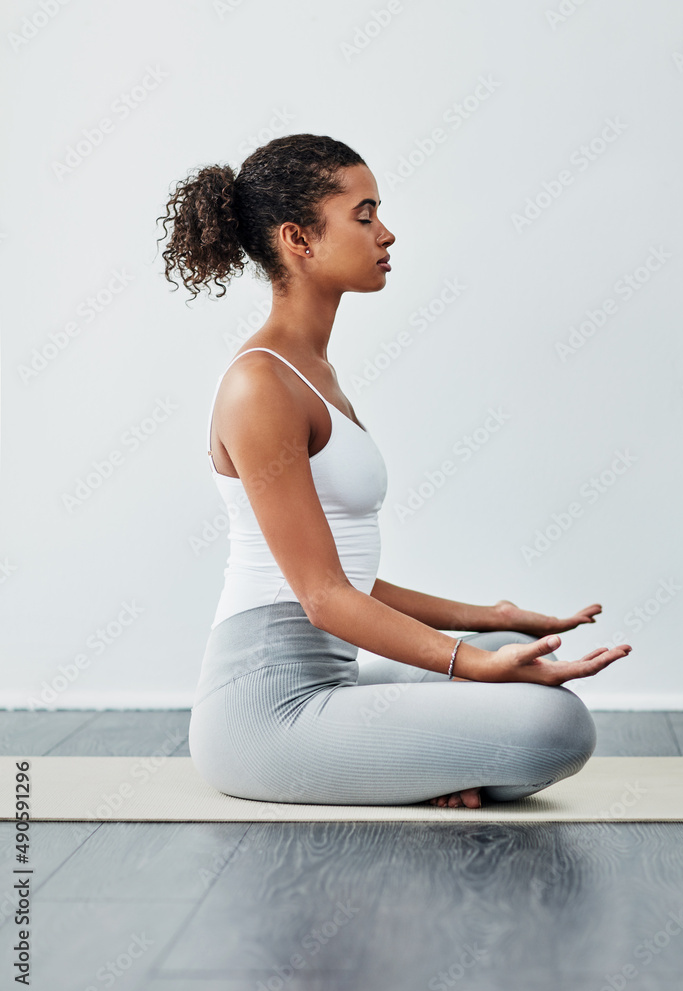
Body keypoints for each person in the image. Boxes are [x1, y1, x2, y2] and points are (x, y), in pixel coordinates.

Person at [156, 133, 631, 809]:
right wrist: (470, 663)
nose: (388, 233)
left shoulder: (315, 375)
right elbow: (320, 596)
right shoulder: (258, 386)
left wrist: (491, 619)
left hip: (332, 684)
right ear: (299, 239)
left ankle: (415, 764)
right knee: (556, 725)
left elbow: (346, 576)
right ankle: (418, 764)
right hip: (265, 717)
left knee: (505, 650)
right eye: (365, 214)